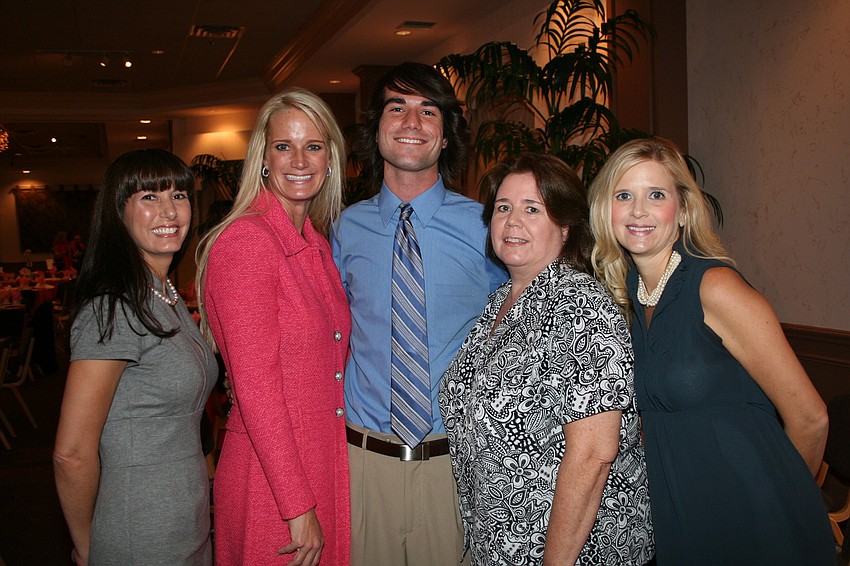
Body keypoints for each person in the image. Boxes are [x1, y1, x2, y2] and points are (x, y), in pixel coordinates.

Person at [588, 136, 834, 565]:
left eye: (656, 195)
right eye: (624, 195)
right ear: (605, 210)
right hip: (685, 512)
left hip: (757, 519)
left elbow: (811, 419)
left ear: (683, 210)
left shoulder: (715, 287)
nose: (638, 210)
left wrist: (783, 499)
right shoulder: (631, 294)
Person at [439, 153, 654, 565]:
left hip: (577, 552)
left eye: (532, 209)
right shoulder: (500, 302)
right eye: (503, 208)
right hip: (502, 547)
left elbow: (594, 454)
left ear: (565, 225)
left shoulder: (580, 305)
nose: (512, 221)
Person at [331, 62, 507, 566]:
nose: (412, 122)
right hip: (364, 466)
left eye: (428, 111)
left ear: (446, 135)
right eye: (397, 107)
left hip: (454, 467)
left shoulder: (488, 227)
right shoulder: (344, 230)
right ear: (376, 129)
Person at [196, 88, 350, 566]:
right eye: (284, 146)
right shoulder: (247, 240)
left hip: (318, 464)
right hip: (273, 482)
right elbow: (256, 388)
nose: (299, 160)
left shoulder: (315, 243)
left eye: (313, 146)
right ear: (264, 158)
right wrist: (297, 505)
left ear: (330, 158)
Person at [53, 148, 217, 565]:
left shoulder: (165, 296)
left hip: (187, 520)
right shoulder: (114, 308)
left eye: (178, 196)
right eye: (149, 197)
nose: (169, 211)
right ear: (118, 212)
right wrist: (88, 547)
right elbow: (71, 453)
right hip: (139, 531)